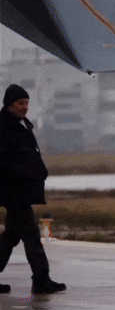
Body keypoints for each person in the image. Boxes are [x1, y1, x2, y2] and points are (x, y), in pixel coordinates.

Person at [0, 84, 66, 294]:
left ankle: (41, 280)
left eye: (27, 103)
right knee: (31, 235)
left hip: (20, 190)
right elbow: (6, 162)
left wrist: (38, 172)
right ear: (9, 105)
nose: (25, 107)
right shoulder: (5, 128)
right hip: (14, 191)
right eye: (21, 103)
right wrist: (28, 174)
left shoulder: (21, 125)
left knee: (12, 235)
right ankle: (41, 280)